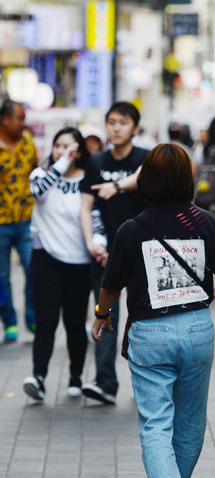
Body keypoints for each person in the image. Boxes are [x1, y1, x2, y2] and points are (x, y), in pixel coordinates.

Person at [91, 143, 215, 478]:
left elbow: (111, 286)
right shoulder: (206, 223)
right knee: (192, 421)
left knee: (155, 421)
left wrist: (101, 315)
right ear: (187, 179)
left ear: (145, 180)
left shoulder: (133, 229)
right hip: (197, 328)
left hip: (149, 333)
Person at [79, 101, 148, 404]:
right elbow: (85, 208)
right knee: (104, 316)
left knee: (142, 319)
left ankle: (146, 381)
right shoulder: (96, 161)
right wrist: (92, 244)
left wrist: (117, 185)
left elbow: (145, 176)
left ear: (135, 126)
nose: (116, 128)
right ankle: (105, 383)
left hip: (142, 255)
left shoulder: (145, 158)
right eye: (111, 122)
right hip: (105, 254)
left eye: (123, 122)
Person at [23, 127, 91, 401]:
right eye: (58, 146)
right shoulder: (41, 175)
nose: (62, 151)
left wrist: (97, 241)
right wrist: (62, 162)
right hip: (45, 260)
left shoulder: (88, 180)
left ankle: (75, 376)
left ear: (80, 152)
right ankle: (38, 377)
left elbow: (93, 213)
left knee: (75, 323)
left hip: (79, 262)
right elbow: (38, 192)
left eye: (69, 147)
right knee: (46, 321)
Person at [0, 98, 38, 342]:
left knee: (33, 269)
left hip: (27, 221)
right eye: (20, 118)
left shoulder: (28, 144)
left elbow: (36, 176)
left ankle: (32, 319)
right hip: (0, 222)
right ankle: (10, 322)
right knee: (1, 277)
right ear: (5, 120)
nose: (24, 123)